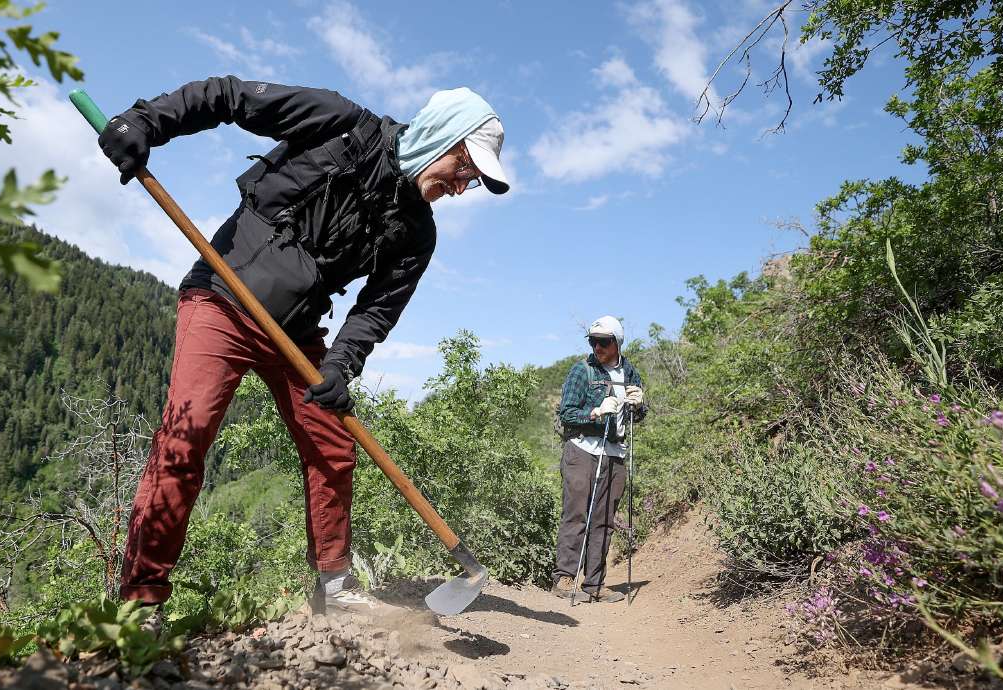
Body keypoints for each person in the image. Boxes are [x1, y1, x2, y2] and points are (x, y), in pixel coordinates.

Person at [96, 76, 511, 616]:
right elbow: (230, 97)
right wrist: (147, 121)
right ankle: (141, 601)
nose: (462, 187)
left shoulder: (416, 233)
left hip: (296, 333)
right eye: (464, 169)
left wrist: (341, 365)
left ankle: (334, 589)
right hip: (223, 300)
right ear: (441, 138)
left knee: (333, 448)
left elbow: (377, 309)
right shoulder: (340, 123)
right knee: (186, 438)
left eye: (472, 181)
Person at [551, 316, 646, 604]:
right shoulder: (582, 371)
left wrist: (639, 405)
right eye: (593, 341)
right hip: (581, 449)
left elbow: (637, 417)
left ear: (617, 342)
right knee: (577, 512)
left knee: (605, 519)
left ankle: (595, 583)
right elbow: (566, 414)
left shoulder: (630, 372)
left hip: (615, 453)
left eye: (603, 342)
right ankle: (565, 578)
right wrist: (594, 412)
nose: (597, 347)